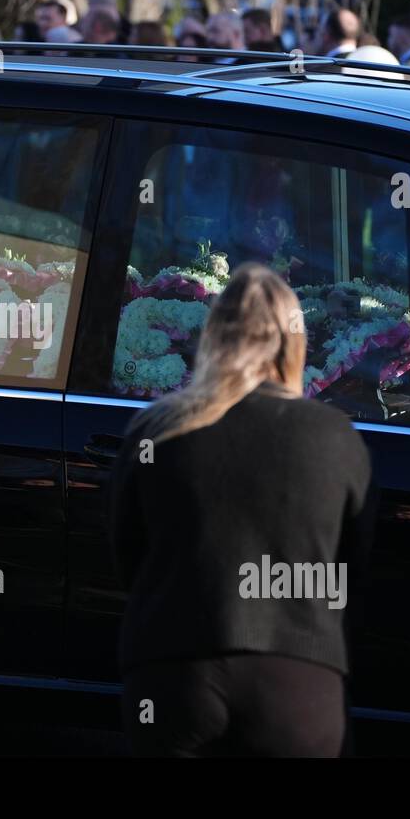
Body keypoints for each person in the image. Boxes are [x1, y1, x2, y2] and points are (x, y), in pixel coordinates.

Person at [111, 263, 376, 757]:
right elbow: (354, 571)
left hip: (172, 673)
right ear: (293, 343)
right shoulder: (336, 437)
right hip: (297, 679)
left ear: (211, 335)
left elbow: (128, 555)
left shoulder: (157, 429)